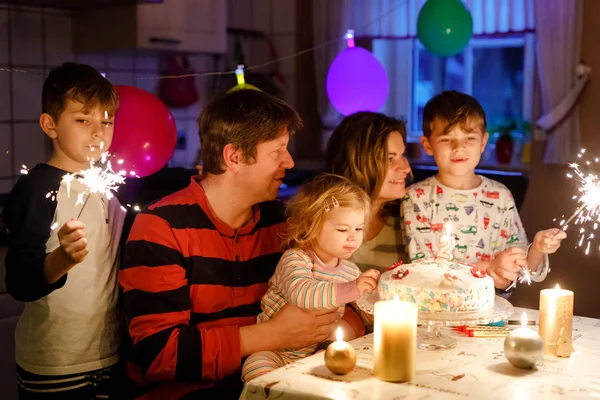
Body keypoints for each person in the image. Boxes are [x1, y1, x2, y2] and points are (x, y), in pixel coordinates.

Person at [120, 90, 359, 399]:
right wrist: (271, 335)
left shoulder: (282, 225)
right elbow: (159, 356)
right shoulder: (160, 227)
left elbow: (347, 301)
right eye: (277, 150)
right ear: (234, 157)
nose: (289, 161)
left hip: (268, 383)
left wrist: (326, 331)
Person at [1, 62, 124, 398]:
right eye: (83, 120)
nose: (98, 131)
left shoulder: (110, 187)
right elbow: (20, 282)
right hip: (56, 365)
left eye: (106, 120)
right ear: (50, 124)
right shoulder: (38, 187)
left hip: (110, 356)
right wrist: (63, 259)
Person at [402, 90, 567, 291]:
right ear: (428, 145)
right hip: (437, 311)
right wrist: (488, 268)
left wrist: (537, 250)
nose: (458, 147)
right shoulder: (416, 197)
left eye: (469, 138)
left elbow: (523, 268)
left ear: (483, 142)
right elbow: (424, 271)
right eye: (446, 139)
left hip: (492, 308)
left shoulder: (500, 196)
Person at [241, 174, 380, 382]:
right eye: (343, 229)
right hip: (275, 351)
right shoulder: (296, 259)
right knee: (256, 370)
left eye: (358, 228)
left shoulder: (350, 271)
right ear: (311, 227)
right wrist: (353, 289)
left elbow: (367, 313)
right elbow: (302, 295)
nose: (353, 237)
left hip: (315, 353)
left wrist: (380, 299)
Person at [326, 112, 412, 272]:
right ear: (357, 162)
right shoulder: (319, 224)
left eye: (403, 155)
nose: (406, 168)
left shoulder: (408, 222)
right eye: (389, 158)